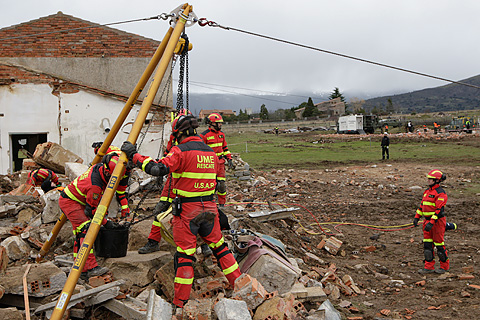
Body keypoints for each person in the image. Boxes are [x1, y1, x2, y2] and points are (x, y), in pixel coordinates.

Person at [121, 114, 241, 308]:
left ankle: (180, 303)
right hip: (210, 210)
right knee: (220, 248)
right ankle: (241, 285)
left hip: (188, 212)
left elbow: (157, 168)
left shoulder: (180, 151)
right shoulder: (210, 152)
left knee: (185, 256)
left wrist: (134, 155)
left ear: (178, 133)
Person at [59, 154, 130, 279]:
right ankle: (91, 267)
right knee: (85, 231)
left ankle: (81, 267)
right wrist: (105, 223)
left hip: (77, 200)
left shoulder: (99, 168)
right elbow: (92, 211)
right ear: (109, 174)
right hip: (70, 202)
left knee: (80, 233)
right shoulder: (94, 187)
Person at [412, 169, 449, 274]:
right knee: (427, 245)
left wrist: (431, 222)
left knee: (439, 245)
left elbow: (439, 210)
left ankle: (444, 266)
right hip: (427, 222)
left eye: (430, 179)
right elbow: (422, 206)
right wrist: (416, 217)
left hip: (437, 223)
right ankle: (429, 267)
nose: (428, 180)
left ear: (436, 181)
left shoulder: (440, 193)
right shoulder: (427, 192)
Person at [200, 113, 234, 206]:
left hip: (220, 164)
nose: (221, 125)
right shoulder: (204, 135)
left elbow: (225, 148)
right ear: (212, 123)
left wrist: (229, 159)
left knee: (221, 185)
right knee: (210, 185)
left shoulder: (221, 135)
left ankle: (222, 204)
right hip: (209, 164)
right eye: (219, 123)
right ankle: (209, 203)